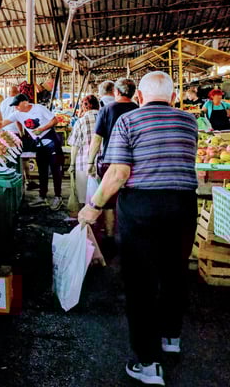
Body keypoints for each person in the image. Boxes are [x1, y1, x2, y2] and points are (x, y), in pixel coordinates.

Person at [78, 71, 198, 386]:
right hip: (183, 206)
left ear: (140, 98)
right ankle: (170, 338)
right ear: (172, 97)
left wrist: (94, 206)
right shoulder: (189, 122)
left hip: (142, 207)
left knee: (141, 282)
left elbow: (118, 172)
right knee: (174, 272)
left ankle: (147, 364)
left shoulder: (128, 122)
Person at [0, 93, 64, 210]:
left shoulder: (39, 108)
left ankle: (58, 196)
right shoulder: (17, 114)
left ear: (25, 103)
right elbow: (1, 123)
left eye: (17, 105)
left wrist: (41, 129)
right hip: (38, 142)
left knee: (55, 169)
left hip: (51, 140)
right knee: (42, 169)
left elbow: (54, 120)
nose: (15, 107)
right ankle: (42, 196)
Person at [87, 78, 139, 249]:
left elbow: (97, 139)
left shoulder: (107, 110)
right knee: (130, 199)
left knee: (109, 201)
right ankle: (128, 236)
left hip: (111, 161)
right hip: (135, 162)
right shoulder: (138, 109)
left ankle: (109, 238)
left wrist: (90, 161)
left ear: (116, 92)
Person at [68, 95, 100, 206]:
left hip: (84, 164)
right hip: (104, 164)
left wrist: (72, 164)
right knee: (102, 200)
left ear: (85, 106)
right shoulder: (106, 118)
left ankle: (86, 222)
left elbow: (75, 145)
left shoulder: (81, 121)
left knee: (84, 199)